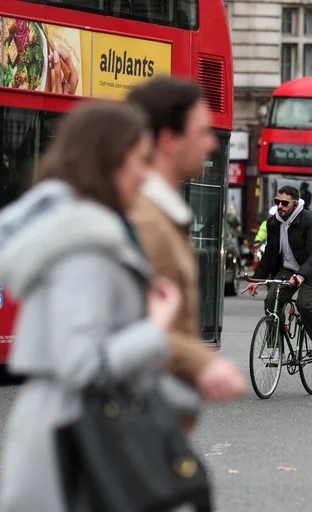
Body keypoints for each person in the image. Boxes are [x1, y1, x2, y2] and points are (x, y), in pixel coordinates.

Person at [0, 101, 180, 511]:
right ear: (109, 159)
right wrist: (156, 328)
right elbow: (82, 364)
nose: (147, 174)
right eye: (141, 160)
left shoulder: (79, 231)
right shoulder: (85, 245)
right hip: (77, 442)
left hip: (67, 433)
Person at [126, 78, 246, 409]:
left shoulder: (162, 215)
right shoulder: (145, 222)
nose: (211, 143)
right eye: (202, 132)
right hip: (130, 422)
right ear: (169, 140)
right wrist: (204, 363)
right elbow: (124, 329)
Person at [242, 185, 312, 365]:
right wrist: (257, 280)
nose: (280, 206)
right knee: (270, 301)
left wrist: (301, 276)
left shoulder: (310, 220)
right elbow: (269, 256)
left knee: (303, 304)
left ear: (295, 204)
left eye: (284, 203)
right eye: (277, 202)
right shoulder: (273, 223)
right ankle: (276, 348)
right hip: (288, 270)